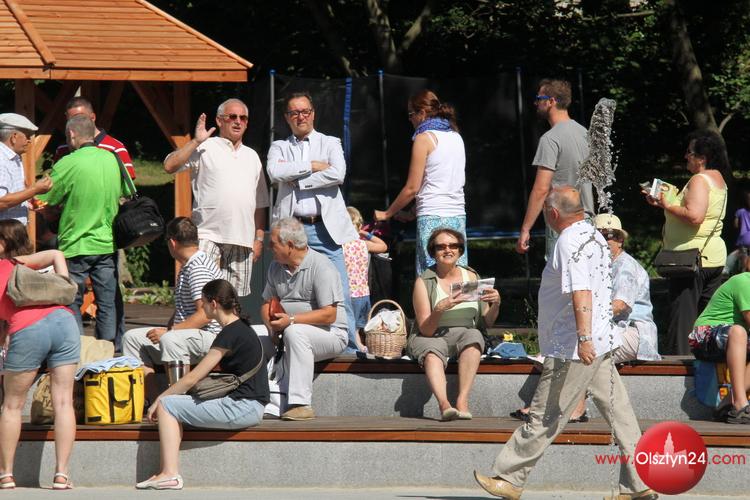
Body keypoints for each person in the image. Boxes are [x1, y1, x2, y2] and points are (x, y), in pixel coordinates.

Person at [474, 186, 655, 500]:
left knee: (545, 413)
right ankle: (640, 483)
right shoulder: (594, 236)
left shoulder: (569, 241)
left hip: (574, 347)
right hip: (600, 341)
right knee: (621, 415)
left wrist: (583, 338)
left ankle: (509, 478)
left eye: (545, 210)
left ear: (553, 213)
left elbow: (581, 291)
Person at [510, 213, 661, 424]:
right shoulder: (597, 264)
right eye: (598, 235)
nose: (603, 240)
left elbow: (620, 305)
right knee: (577, 346)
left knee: (585, 348)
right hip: (610, 330)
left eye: (610, 235)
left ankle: (570, 408)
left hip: (634, 332)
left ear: (620, 240)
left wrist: (584, 318)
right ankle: (557, 407)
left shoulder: (625, 266)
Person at [137, 279, 269, 490]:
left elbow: (193, 378)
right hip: (250, 405)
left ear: (213, 304)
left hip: (242, 407)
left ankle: (169, 474)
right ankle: (166, 473)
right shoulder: (242, 328)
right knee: (173, 403)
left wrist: (158, 400)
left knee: (167, 405)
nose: (201, 307)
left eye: (203, 302)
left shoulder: (229, 334)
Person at [266, 92, 358, 352]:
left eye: (305, 111)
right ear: (287, 117)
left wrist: (299, 180)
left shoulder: (330, 142)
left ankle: (349, 347)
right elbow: (274, 172)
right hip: (292, 230)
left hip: (324, 228)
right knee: (288, 289)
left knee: (340, 289)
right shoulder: (279, 146)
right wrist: (313, 165)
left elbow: (338, 174)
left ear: (313, 113)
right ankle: (287, 341)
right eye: (294, 113)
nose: (300, 117)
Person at [164, 98, 269, 297]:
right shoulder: (205, 147)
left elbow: (260, 203)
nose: (238, 121)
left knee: (232, 300)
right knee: (202, 295)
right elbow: (169, 166)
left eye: (243, 118)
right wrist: (195, 141)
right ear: (220, 121)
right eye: (232, 117)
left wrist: (259, 239)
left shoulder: (252, 156)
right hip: (207, 235)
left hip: (242, 239)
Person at [37, 115, 125, 349]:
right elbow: (126, 191)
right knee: (107, 302)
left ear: (72, 134)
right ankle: (105, 350)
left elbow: (44, 197)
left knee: (72, 300)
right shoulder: (112, 158)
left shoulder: (68, 162)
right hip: (107, 242)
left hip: (75, 244)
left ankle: (77, 350)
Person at [0, 243, 80, 490]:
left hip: (27, 329)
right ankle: (61, 475)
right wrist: (64, 282)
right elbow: (56, 253)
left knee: (12, 404)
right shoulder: (14, 263)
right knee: (64, 402)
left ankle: (6, 475)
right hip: (65, 322)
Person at [643, 129, 728, 355]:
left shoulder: (699, 180)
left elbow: (695, 216)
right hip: (711, 257)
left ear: (702, 158)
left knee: (683, 323)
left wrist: (667, 205)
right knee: (707, 322)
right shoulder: (718, 178)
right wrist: (665, 204)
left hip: (691, 261)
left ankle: (679, 369)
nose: (685, 156)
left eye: (690, 152)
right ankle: (707, 367)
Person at [122, 217, 221, 401]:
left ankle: (178, 402)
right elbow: (184, 309)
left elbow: (205, 315)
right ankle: (154, 400)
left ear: (172, 242)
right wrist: (168, 328)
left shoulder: (198, 268)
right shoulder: (189, 265)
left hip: (210, 336)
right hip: (189, 334)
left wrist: (170, 332)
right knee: (132, 338)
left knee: (170, 339)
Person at [260, 217, 348, 421]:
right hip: (285, 331)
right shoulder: (275, 267)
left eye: (273, 244)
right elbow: (266, 303)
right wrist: (272, 329)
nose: (268, 248)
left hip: (331, 334)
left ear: (290, 245)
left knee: (294, 332)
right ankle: (251, 398)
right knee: (251, 335)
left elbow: (329, 314)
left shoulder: (322, 267)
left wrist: (290, 320)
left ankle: (301, 404)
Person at [373, 90, 468, 275]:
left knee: (429, 278)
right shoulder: (456, 137)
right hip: (457, 217)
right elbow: (438, 181)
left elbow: (412, 188)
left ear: (422, 113)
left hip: (431, 218)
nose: (410, 119)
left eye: (411, 114)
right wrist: (411, 213)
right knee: (457, 276)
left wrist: (387, 213)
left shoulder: (424, 138)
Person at [409, 228, 500, 421]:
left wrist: (496, 303)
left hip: (464, 333)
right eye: (441, 246)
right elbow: (425, 329)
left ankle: (462, 401)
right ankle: (444, 405)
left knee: (474, 336)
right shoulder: (424, 281)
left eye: (453, 246)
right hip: (431, 335)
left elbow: (487, 322)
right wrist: (440, 309)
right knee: (432, 352)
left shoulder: (471, 276)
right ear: (433, 252)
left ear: (460, 250)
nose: (447, 250)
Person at [515, 79, 594, 260]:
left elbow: (541, 189)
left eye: (539, 98)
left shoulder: (550, 139)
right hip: (588, 221)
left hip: (562, 222)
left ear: (551, 101)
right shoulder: (584, 133)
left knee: (560, 276)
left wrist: (525, 229)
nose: (535, 103)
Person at [688, 272, 750, 424]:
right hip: (704, 335)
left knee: (738, 332)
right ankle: (740, 405)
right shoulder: (745, 282)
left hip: (733, 340)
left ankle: (726, 403)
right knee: (738, 331)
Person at [52, 96, 135, 179]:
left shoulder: (116, 148)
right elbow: (56, 179)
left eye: (80, 118)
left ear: (93, 117)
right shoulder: (62, 148)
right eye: (71, 120)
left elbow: (128, 180)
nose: (75, 123)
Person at [342, 206, 387, 351]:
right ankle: (359, 345)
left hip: (349, 293)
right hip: (363, 292)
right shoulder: (363, 244)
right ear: (359, 226)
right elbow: (383, 246)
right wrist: (364, 233)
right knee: (356, 326)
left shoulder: (339, 246)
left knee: (349, 323)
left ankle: (353, 347)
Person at [0, 113, 52, 224]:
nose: (29, 140)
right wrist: (34, 190)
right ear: (14, 137)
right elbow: (1, 202)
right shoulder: (1, 159)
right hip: (4, 232)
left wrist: (28, 201)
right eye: (27, 136)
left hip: (12, 231)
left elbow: (12, 194)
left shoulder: (14, 158)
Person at [723, 189, 750, 276]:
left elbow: (736, 225)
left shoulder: (740, 211)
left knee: (744, 261)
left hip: (744, 239)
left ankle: (742, 274)